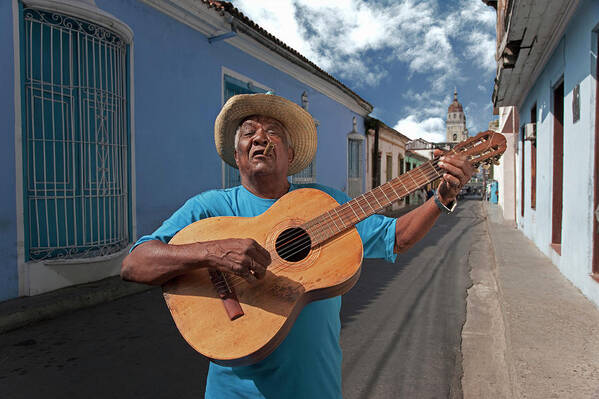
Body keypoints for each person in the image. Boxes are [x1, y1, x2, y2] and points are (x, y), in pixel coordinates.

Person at [120, 93, 474, 399]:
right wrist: (211, 252)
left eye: (272, 132)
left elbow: (396, 238)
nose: (261, 138)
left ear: (290, 154)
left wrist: (440, 199)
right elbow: (135, 264)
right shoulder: (210, 208)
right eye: (249, 133)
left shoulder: (323, 204)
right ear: (237, 153)